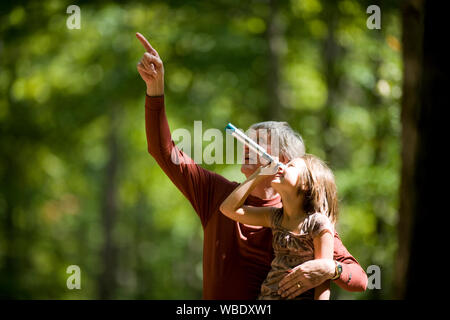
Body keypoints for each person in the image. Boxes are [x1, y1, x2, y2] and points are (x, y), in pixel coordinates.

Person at [135, 32, 368, 299]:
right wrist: (155, 89)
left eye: (257, 143)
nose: (245, 147)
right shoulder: (216, 193)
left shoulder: (299, 215)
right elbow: (163, 151)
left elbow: (359, 277)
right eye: (245, 140)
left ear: (283, 161)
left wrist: (330, 268)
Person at [220, 155, 337, 300]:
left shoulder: (318, 224)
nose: (282, 166)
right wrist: (259, 174)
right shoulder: (275, 217)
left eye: (291, 166)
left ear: (306, 183)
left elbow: (323, 279)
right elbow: (228, 209)